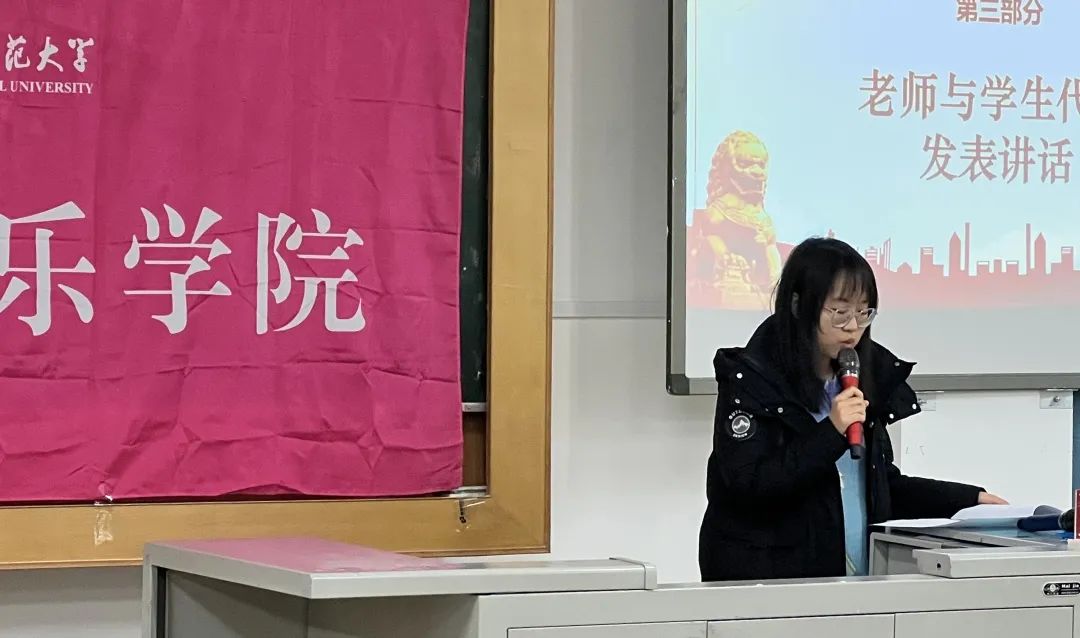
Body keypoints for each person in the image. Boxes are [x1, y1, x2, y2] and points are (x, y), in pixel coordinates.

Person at [698, 237, 1006, 582]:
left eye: (863, 312)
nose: (853, 327)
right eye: (840, 313)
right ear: (798, 306)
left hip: (854, 577)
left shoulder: (858, 380)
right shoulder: (751, 382)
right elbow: (750, 485)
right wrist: (831, 431)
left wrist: (967, 500)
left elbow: (880, 486)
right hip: (770, 580)